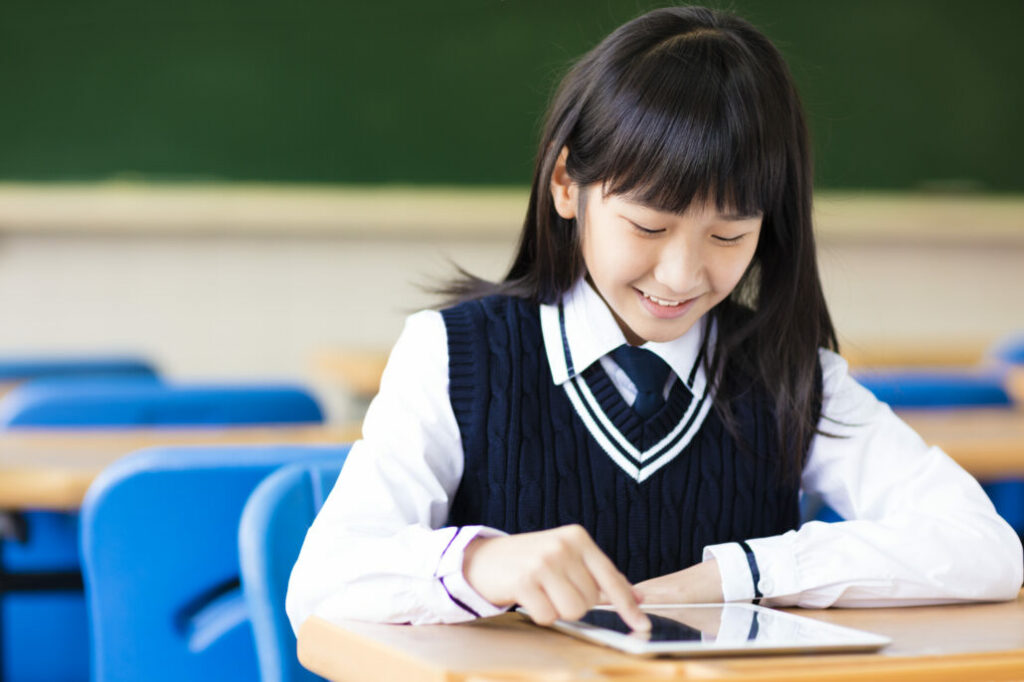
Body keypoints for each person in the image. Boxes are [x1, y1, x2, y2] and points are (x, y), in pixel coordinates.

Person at [286, 6, 1023, 633]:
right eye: (648, 227)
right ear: (568, 185)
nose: (682, 275)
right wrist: (480, 561)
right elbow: (321, 582)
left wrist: (741, 572)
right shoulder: (457, 356)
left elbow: (985, 549)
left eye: (729, 237)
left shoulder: (788, 375)